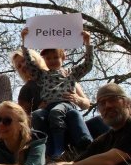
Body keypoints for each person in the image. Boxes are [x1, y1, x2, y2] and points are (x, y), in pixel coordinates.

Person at [21, 28, 94, 158]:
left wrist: (88, 43)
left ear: (63, 57)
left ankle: (59, 148)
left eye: (55, 57)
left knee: (56, 112)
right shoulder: (42, 75)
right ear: (44, 60)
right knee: (37, 114)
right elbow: (30, 64)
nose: (52, 60)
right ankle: (45, 148)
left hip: (65, 104)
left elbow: (87, 65)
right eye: (48, 58)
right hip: (48, 106)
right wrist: (25, 43)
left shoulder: (70, 73)